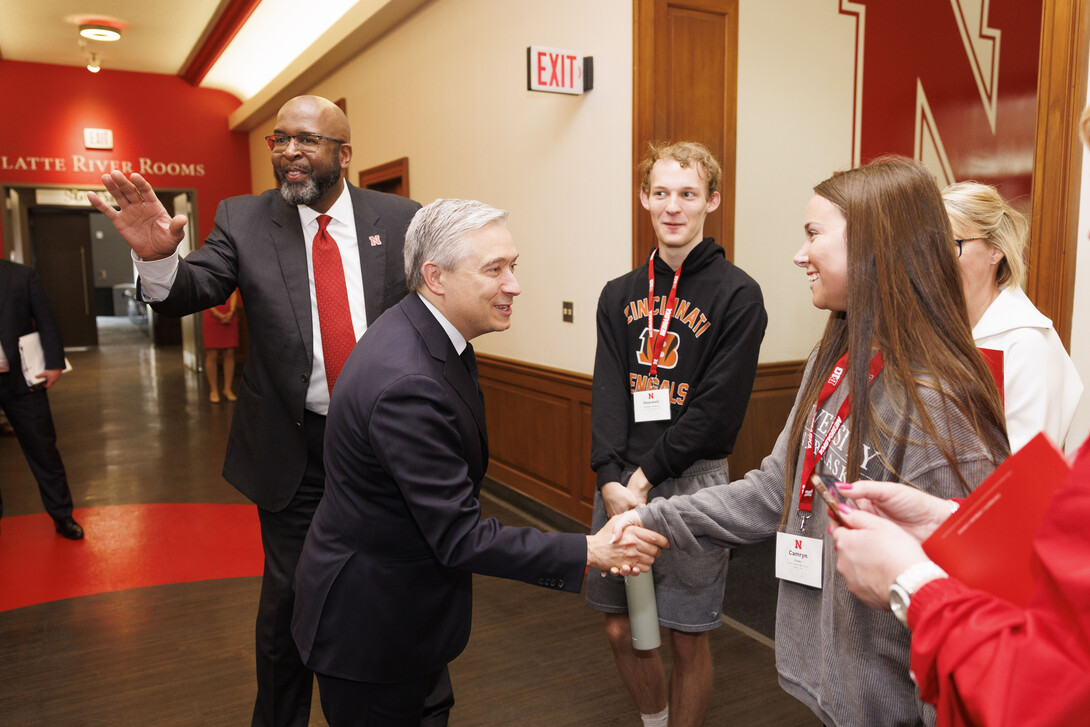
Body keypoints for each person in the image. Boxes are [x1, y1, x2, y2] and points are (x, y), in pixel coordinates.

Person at [613, 157, 1010, 726]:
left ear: (876, 247)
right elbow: (775, 489)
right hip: (836, 683)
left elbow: (971, 613)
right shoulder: (835, 357)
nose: (801, 254)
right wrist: (654, 519)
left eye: (813, 234)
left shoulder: (940, 407)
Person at [86, 95, 421, 727]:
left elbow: (435, 309)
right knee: (294, 599)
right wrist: (157, 258)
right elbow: (192, 289)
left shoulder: (402, 218)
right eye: (279, 140)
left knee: (398, 589)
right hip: (296, 451)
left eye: (308, 141)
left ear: (344, 155)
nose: (289, 152)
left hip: (388, 448)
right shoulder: (242, 219)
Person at [291, 198, 670, 726]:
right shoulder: (408, 382)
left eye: (513, 266)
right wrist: (589, 549)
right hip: (373, 629)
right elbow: (459, 536)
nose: (513, 284)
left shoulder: (427, 335)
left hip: (406, 612)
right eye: (494, 269)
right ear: (435, 277)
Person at [588, 141, 766, 727]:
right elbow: (610, 390)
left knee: (686, 636)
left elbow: (716, 412)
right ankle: (654, 720)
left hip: (692, 486)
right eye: (661, 193)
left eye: (688, 194)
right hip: (619, 487)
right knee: (622, 628)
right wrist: (611, 478)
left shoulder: (738, 295)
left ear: (711, 201)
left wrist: (642, 479)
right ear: (644, 198)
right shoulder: (619, 293)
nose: (673, 206)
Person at [942, 181, 1083, 451]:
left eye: (953, 243)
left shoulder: (1027, 342)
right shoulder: (942, 327)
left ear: (996, 250)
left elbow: (1027, 464)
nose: (939, 258)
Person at [0, 259, 84, 539]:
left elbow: (46, 318)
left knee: (44, 450)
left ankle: (62, 516)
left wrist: (54, 362)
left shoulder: (21, 276)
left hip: (22, 381)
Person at [203, 289, 239, 403]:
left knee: (229, 352)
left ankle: (227, 389)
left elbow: (233, 292)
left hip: (230, 314)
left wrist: (232, 311)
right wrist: (217, 314)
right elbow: (205, 294)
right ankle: (213, 390)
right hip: (211, 313)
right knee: (212, 354)